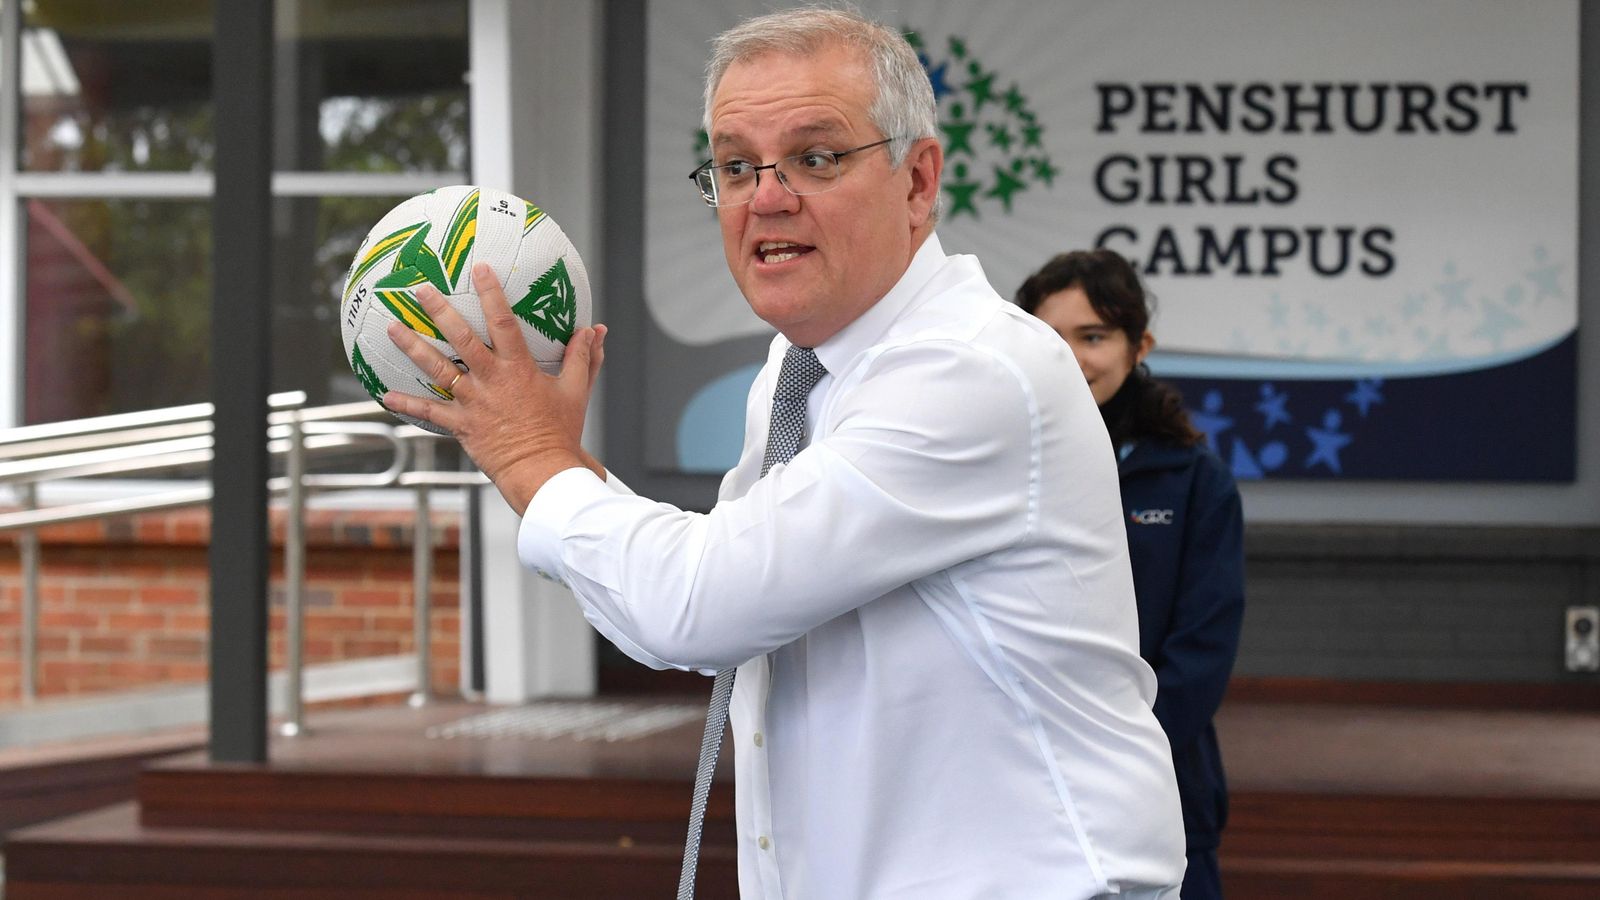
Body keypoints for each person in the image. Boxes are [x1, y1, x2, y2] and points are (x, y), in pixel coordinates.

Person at [384, 9, 1185, 899]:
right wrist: (558, 464)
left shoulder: (970, 370)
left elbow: (701, 605)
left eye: (815, 157)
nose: (765, 197)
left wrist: (534, 458)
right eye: (734, 165)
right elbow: (719, 593)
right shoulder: (805, 367)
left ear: (918, 181)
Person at [1016, 248, 1247, 900]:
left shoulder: (1195, 481)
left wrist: (1113, 760)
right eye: (1047, 337)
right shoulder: (988, 466)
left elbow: (1201, 655)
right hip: (1020, 797)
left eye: (1094, 336)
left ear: (1137, 344)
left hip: (1159, 790)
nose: (1069, 357)